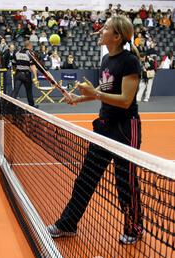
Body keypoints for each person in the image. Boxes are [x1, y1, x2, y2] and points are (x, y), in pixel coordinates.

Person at [48, 15, 144, 245]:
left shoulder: (129, 61)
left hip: (125, 129)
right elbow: (104, 87)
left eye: (106, 28)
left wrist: (96, 94)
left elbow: (124, 100)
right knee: (86, 178)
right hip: (104, 127)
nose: (101, 31)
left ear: (117, 36)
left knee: (126, 183)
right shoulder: (106, 61)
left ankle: (134, 227)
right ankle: (68, 223)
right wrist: (78, 98)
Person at [11, 40, 38, 107]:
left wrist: (15, 72)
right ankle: (32, 106)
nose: (32, 47)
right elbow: (33, 66)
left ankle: (10, 105)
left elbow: (13, 64)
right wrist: (35, 77)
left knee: (15, 91)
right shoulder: (30, 53)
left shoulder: (17, 53)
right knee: (29, 91)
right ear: (29, 46)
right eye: (31, 45)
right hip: (26, 75)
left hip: (18, 74)